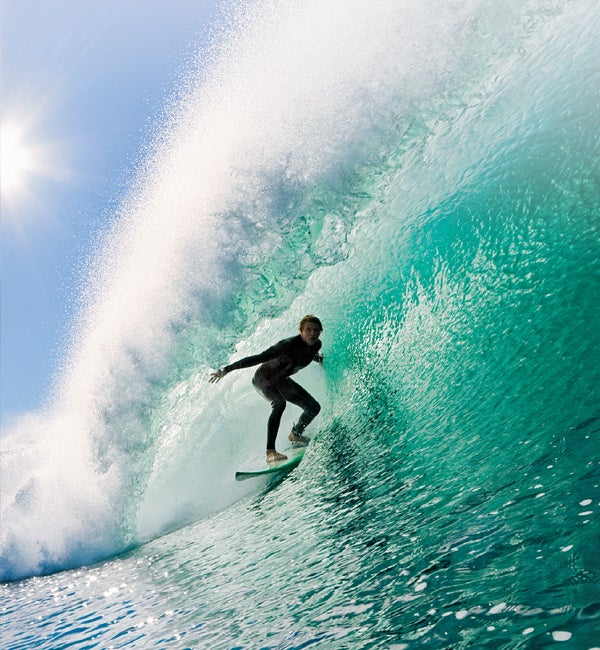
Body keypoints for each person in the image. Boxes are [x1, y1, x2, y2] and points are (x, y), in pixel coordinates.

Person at [210, 315, 324, 463]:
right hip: (263, 378)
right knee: (279, 403)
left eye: (316, 330)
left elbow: (306, 354)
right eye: (308, 330)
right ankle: (270, 452)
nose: (312, 333)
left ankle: (295, 435)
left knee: (313, 407)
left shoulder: (316, 345)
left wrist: (318, 359)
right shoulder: (287, 344)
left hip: (281, 381)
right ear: (301, 331)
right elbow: (259, 357)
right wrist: (226, 369)